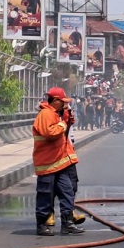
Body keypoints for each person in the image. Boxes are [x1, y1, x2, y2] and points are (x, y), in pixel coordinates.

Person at [32, 87, 84, 236]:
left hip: (60, 162)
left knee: (67, 191)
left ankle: (68, 223)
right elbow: (50, 133)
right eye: (63, 102)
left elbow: (63, 130)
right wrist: (62, 124)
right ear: (55, 101)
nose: (65, 105)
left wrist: (66, 116)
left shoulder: (56, 114)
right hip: (47, 163)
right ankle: (41, 225)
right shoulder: (46, 114)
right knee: (45, 195)